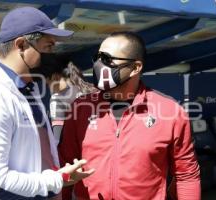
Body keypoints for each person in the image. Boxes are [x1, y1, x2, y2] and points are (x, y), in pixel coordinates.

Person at [0, 7, 94, 200]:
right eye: (48, 47)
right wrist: (58, 180)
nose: (52, 55)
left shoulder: (29, 88)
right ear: (21, 45)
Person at [58, 32, 201, 200]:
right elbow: (64, 166)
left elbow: (187, 175)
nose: (99, 64)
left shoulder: (170, 112)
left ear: (135, 67)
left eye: (107, 59)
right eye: (97, 57)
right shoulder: (81, 108)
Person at [33, 54, 97, 145]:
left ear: (55, 77)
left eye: (48, 84)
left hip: (78, 152)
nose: (48, 88)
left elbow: (57, 138)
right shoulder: (93, 90)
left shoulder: (57, 99)